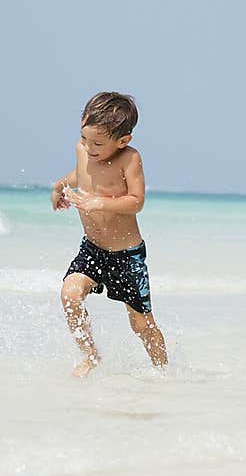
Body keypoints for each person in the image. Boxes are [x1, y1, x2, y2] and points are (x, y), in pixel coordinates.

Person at [50, 92, 167, 377]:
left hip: (127, 256)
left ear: (123, 141)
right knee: (70, 294)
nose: (88, 148)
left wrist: (99, 202)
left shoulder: (130, 159)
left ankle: (165, 371)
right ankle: (91, 357)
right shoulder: (83, 150)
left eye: (98, 144)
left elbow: (136, 201)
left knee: (141, 324)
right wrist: (59, 186)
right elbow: (81, 175)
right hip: (92, 249)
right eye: (84, 139)